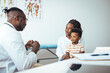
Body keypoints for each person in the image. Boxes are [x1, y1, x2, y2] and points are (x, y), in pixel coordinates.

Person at [0, 7, 40, 73]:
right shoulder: (12, 34)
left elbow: (8, 54)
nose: (26, 23)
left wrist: (25, 48)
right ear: (17, 18)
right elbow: (24, 66)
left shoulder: (3, 30)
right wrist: (35, 49)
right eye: (25, 19)